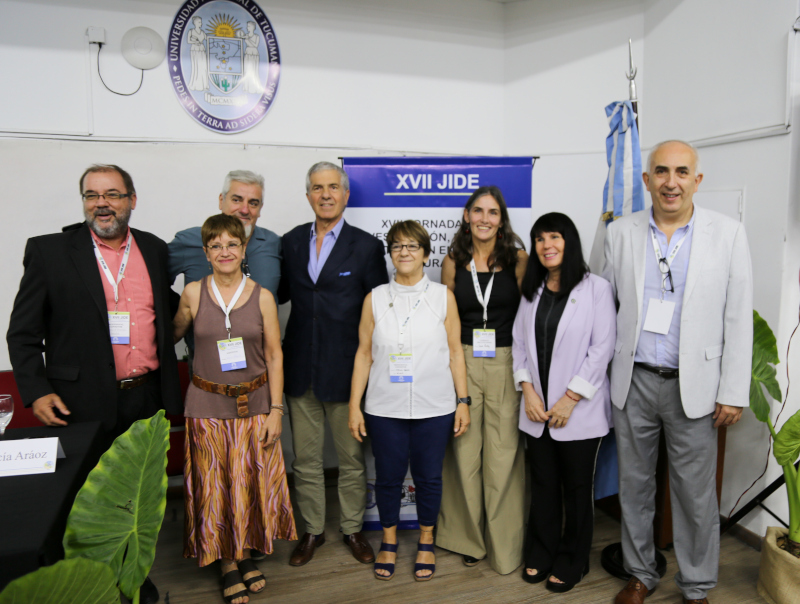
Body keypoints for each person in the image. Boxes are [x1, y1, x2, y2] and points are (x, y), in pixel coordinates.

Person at [6, 163, 182, 604]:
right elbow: (22, 333)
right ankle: (91, 586)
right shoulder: (49, 251)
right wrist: (37, 389)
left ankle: (134, 576)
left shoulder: (155, 250)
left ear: (132, 200)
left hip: (145, 398)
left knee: (138, 497)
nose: (101, 203)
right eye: (91, 195)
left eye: (112, 194)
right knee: (84, 499)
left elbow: (172, 313)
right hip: (78, 402)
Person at [602, 140, 753, 604]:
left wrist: (732, 390)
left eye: (682, 172)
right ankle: (641, 574)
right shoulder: (620, 233)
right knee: (634, 486)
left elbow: (738, 315)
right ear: (647, 180)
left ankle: (696, 586)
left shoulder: (727, 234)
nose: (671, 182)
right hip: (634, 381)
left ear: (697, 180)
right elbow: (603, 307)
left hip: (697, 387)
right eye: (662, 172)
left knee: (694, 495)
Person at [174, 214, 296, 604]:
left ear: (243, 250)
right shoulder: (193, 292)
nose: (224, 251)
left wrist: (276, 410)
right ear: (206, 252)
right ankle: (227, 562)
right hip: (206, 405)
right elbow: (171, 334)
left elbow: (275, 355)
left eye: (232, 244)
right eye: (216, 245)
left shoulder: (262, 296)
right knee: (215, 486)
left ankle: (244, 553)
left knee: (247, 484)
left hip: (255, 404)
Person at [279, 161, 389, 566]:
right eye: (316, 188)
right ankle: (312, 532)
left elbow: (379, 311)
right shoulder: (289, 242)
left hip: (347, 375)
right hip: (300, 370)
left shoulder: (366, 246)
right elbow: (283, 295)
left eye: (332, 187)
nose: (325, 194)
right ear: (307, 195)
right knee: (305, 461)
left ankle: (352, 529)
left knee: (350, 461)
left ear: (345, 194)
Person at [348, 221, 470, 582]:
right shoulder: (374, 298)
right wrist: (355, 405)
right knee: (387, 478)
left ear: (426, 254)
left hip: (435, 406)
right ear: (390, 254)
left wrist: (462, 400)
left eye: (412, 246)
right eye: (397, 246)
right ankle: (388, 540)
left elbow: (455, 352)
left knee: (429, 478)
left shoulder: (442, 296)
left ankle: (427, 540)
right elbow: (364, 354)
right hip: (385, 406)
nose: (404, 252)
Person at [512, 212, 616, 592]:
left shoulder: (597, 290)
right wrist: (528, 391)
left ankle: (574, 559)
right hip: (537, 410)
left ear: (569, 241)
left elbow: (601, 349)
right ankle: (541, 551)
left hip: (579, 412)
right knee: (542, 486)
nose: (546, 246)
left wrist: (570, 398)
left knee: (575, 489)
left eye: (554, 237)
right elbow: (519, 346)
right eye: (539, 239)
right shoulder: (531, 289)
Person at [436, 185, 528, 575]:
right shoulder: (452, 261)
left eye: (493, 212)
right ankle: (468, 538)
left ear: (501, 219)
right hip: (465, 361)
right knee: (464, 453)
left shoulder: (519, 259)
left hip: (506, 361)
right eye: (478, 211)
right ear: (467, 216)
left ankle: (504, 545)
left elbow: (528, 318)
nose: (485, 219)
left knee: (504, 455)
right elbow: (446, 322)